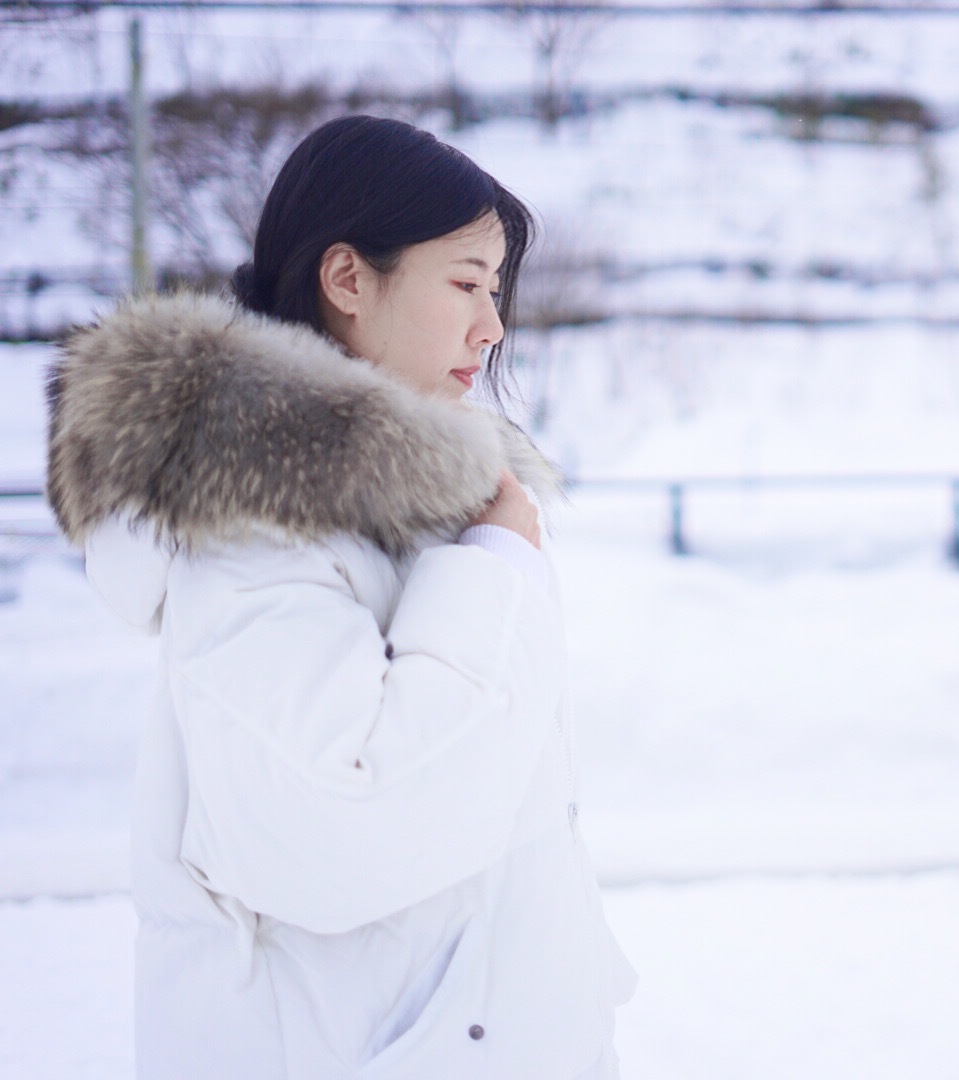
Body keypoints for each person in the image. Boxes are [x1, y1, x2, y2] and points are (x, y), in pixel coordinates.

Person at [44, 115, 637, 1079]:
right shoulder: (251, 521)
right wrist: (491, 568)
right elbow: (347, 826)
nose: (491, 327)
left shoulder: (422, 504)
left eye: (496, 291)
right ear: (349, 278)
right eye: (464, 284)